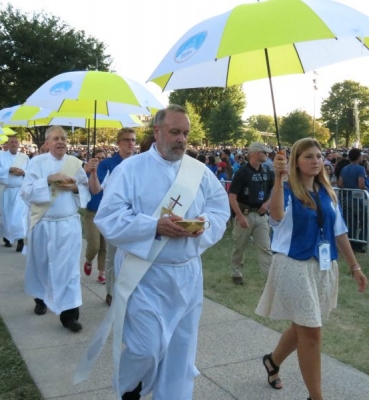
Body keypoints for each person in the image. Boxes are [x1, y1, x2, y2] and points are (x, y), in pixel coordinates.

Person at [93, 105, 230, 399]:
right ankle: (132, 388)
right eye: (175, 132)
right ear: (157, 132)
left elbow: (219, 210)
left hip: (186, 275)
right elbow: (109, 217)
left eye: (186, 134)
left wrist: (203, 224)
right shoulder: (129, 169)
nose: (182, 139)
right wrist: (153, 226)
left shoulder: (199, 172)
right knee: (145, 348)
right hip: (145, 275)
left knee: (180, 353)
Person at [255, 138, 367, 400]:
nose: (315, 161)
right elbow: (276, 217)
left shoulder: (328, 192)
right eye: (308, 156)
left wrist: (355, 266)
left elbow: (339, 232)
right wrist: (279, 179)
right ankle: (316, 397)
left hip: (324, 267)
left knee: (304, 326)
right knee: (312, 331)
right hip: (293, 265)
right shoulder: (286, 190)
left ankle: (272, 361)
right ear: (296, 161)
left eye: (318, 156)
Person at [20, 126, 90, 332]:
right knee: (42, 265)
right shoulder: (36, 163)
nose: (61, 142)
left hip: (68, 225)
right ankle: (41, 299)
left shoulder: (75, 164)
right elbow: (26, 192)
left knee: (69, 271)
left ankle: (69, 315)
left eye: (63, 139)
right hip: (43, 224)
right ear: (47, 143)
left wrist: (76, 188)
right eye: (56, 139)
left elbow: (85, 188)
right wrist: (47, 181)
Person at [94, 128, 136, 305]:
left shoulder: (139, 163)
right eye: (126, 140)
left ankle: (129, 291)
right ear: (118, 142)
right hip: (114, 216)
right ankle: (111, 291)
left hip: (134, 216)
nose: (130, 143)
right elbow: (98, 189)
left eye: (133, 140)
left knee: (132, 257)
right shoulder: (108, 164)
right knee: (112, 255)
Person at [228, 142, 274, 285]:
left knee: (265, 248)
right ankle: (236, 272)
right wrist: (240, 216)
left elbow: (274, 190)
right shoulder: (242, 172)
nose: (267, 155)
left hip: (261, 216)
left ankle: (270, 280)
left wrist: (268, 202)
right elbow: (232, 196)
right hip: (245, 214)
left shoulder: (267, 172)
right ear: (255, 153)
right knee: (239, 247)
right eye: (264, 152)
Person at [82, 148, 107, 284]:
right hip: (91, 213)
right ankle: (88, 259)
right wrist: (90, 172)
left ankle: (102, 272)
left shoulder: (108, 172)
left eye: (103, 158)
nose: (100, 161)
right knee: (94, 245)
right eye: (97, 158)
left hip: (106, 214)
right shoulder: (86, 174)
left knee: (105, 246)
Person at [0, 135, 29, 251]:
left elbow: (31, 171)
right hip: (6, 191)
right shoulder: (1, 156)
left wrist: (23, 172)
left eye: (15, 142)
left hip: (19, 191)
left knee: (19, 217)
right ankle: (7, 238)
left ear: (18, 144)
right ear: (7, 144)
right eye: (11, 142)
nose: (13, 144)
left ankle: (20, 240)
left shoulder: (24, 157)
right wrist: (9, 170)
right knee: (7, 217)